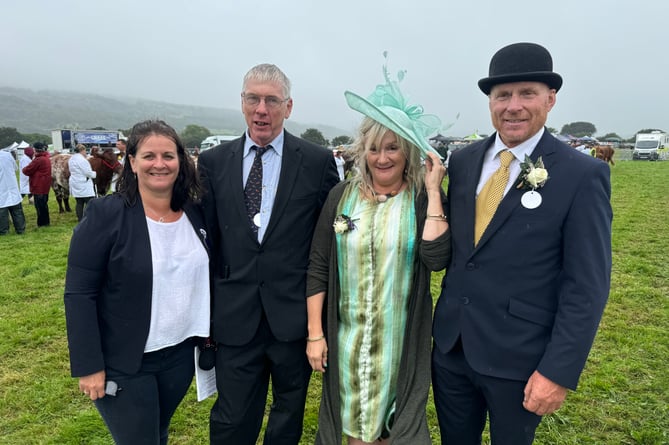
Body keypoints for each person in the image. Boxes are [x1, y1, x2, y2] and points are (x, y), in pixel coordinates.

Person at [431, 42, 612, 444]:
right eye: (502, 96)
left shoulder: (582, 175)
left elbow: (587, 285)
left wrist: (558, 372)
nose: (513, 106)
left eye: (526, 93)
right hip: (452, 349)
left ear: (550, 100)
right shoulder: (463, 162)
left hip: (521, 360)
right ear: (490, 103)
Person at [305, 59, 451, 445]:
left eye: (391, 148)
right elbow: (319, 265)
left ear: (405, 152)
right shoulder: (341, 197)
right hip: (347, 341)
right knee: (351, 428)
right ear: (362, 151)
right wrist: (315, 334)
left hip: (399, 342)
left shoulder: (420, 199)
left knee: (395, 429)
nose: (382, 157)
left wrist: (435, 190)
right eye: (373, 148)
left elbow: (436, 259)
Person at [198, 63, 339, 445]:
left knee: (288, 415)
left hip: (293, 317)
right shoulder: (213, 163)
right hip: (234, 314)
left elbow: (330, 240)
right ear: (242, 103)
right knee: (232, 416)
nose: (262, 109)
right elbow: (206, 239)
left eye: (272, 101)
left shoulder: (316, 161)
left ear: (288, 107)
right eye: (253, 99)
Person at [64, 120, 211, 445]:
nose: (160, 164)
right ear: (131, 161)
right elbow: (79, 294)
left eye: (168, 156)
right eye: (149, 156)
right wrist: (89, 366)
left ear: (181, 160)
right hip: (126, 361)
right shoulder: (106, 214)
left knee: (156, 432)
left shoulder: (194, 213)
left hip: (179, 356)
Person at [22, 142, 51, 227]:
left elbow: (26, 170)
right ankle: (46, 222)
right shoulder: (46, 158)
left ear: (35, 150)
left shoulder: (38, 160)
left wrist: (24, 168)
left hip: (38, 186)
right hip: (44, 186)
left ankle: (42, 224)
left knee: (39, 207)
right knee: (44, 206)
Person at [68, 144, 97, 221]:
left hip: (75, 181)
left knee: (79, 202)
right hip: (83, 183)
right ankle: (89, 218)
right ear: (82, 150)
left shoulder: (72, 159)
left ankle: (80, 218)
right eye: (85, 151)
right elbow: (87, 172)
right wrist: (95, 174)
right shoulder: (82, 160)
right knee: (89, 202)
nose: (85, 153)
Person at [0, 149, 26, 235]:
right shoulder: (7, 155)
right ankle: (21, 230)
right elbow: (15, 168)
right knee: (17, 211)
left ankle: (4, 232)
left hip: (2, 189)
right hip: (12, 186)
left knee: (2, 213)